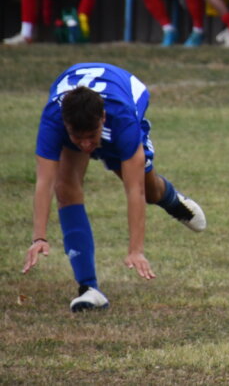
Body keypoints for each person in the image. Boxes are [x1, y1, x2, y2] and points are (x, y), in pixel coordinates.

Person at [21, 62, 207, 312]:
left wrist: (136, 250)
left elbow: (135, 190)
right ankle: (88, 288)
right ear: (65, 125)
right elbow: (45, 181)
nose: (86, 145)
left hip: (127, 91)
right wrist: (39, 237)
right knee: (65, 188)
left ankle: (172, 200)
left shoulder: (122, 120)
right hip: (77, 94)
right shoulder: (53, 120)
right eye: (79, 138)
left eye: (91, 136)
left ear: (103, 119)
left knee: (149, 189)